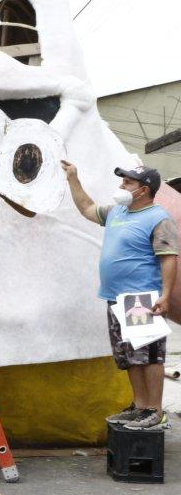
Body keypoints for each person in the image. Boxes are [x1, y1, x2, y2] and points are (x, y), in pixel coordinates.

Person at [62, 162, 177, 431]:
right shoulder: (117, 212)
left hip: (141, 299)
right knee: (128, 356)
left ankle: (154, 410)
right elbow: (88, 209)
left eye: (128, 182)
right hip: (116, 298)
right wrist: (73, 179)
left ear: (143, 190)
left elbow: (169, 258)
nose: (121, 186)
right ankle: (139, 407)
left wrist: (166, 296)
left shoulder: (158, 218)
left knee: (148, 356)